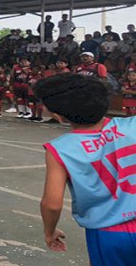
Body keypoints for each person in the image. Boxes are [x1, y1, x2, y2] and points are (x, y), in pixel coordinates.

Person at [35, 74, 136, 266]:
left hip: (110, 233)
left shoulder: (60, 148)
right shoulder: (132, 126)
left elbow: (52, 203)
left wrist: (50, 232)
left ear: (59, 115)